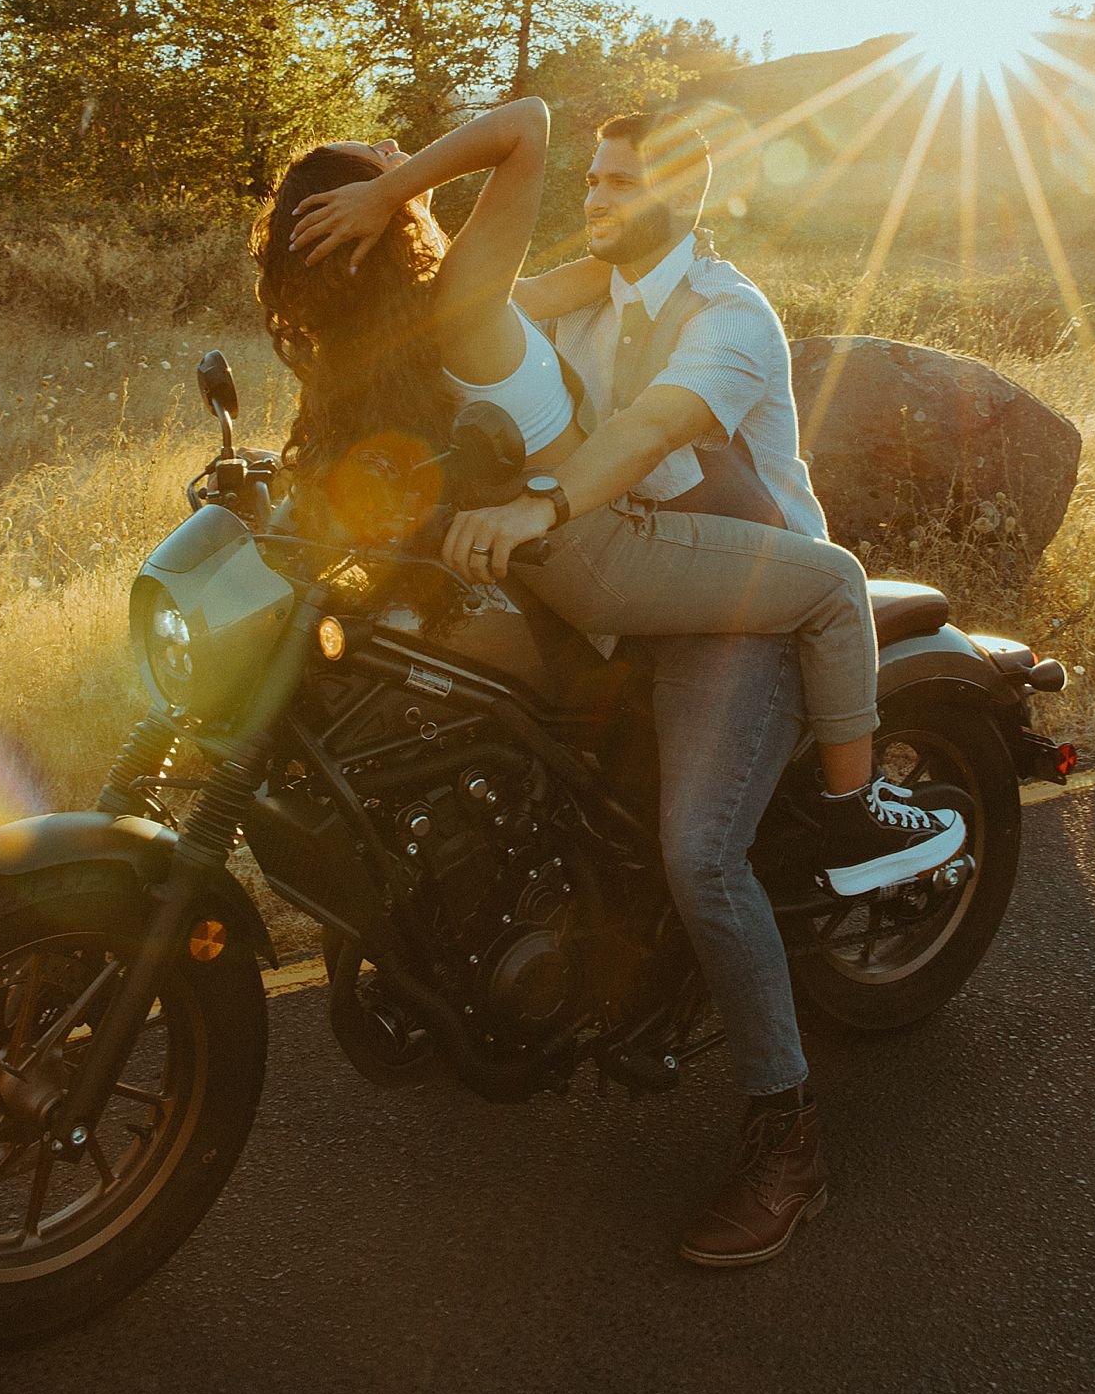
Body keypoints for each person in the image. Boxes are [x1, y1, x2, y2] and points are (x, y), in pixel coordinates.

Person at [259, 100, 964, 1263]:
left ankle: (789, 1136)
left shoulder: (727, 316)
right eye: (595, 184)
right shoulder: (578, 294)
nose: (601, 201)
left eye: (630, 184)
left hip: (735, 600)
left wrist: (393, 194)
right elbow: (435, 348)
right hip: (606, 575)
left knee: (700, 854)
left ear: (692, 195)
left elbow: (643, 432)